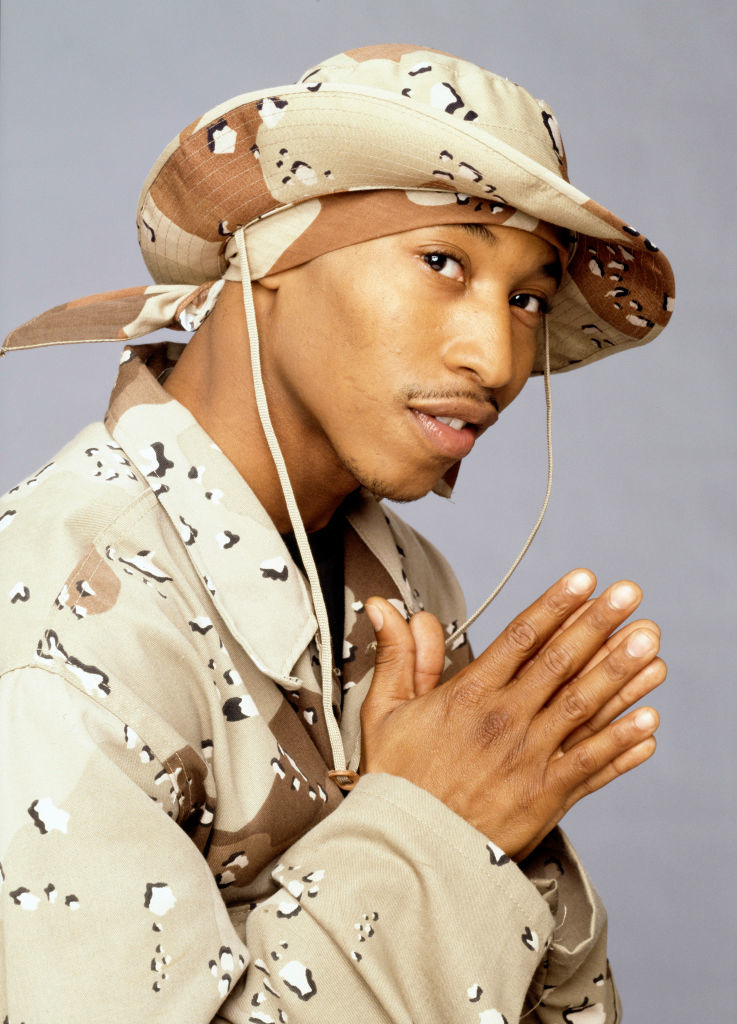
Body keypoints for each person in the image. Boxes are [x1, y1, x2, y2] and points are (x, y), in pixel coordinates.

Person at [0, 44, 673, 1022]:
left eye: (527, 297)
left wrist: (488, 834)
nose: (495, 359)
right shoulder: (57, 631)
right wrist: (433, 829)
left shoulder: (404, 583)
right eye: (442, 260)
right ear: (271, 255)